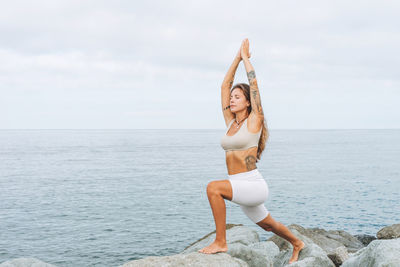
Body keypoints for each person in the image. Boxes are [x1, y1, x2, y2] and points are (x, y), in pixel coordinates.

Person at [198, 39, 305, 264]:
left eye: (237, 97)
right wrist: (236, 57)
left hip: (252, 184)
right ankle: (297, 243)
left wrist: (246, 60)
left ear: (248, 103)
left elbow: (254, 86)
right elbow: (224, 86)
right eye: (231, 98)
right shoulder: (231, 122)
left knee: (213, 188)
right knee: (268, 224)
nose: (231, 100)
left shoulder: (254, 121)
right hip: (238, 183)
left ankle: (220, 241)